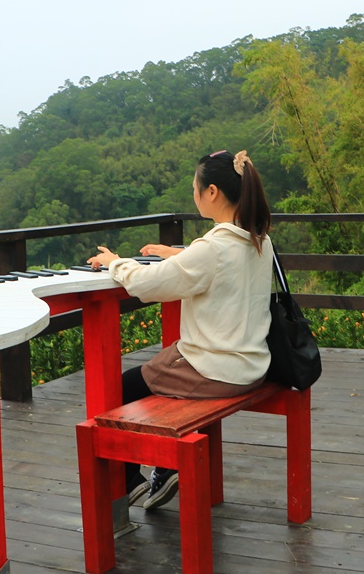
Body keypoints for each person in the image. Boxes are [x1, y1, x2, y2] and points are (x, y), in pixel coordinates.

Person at [86, 149, 274, 510]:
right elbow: (216, 264)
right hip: (254, 365)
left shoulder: (214, 248)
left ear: (213, 192)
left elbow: (147, 284)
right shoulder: (258, 239)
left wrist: (115, 262)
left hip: (219, 371)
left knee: (121, 385)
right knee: (160, 371)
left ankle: (131, 478)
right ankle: (163, 469)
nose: (194, 193)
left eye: (195, 187)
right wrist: (178, 255)